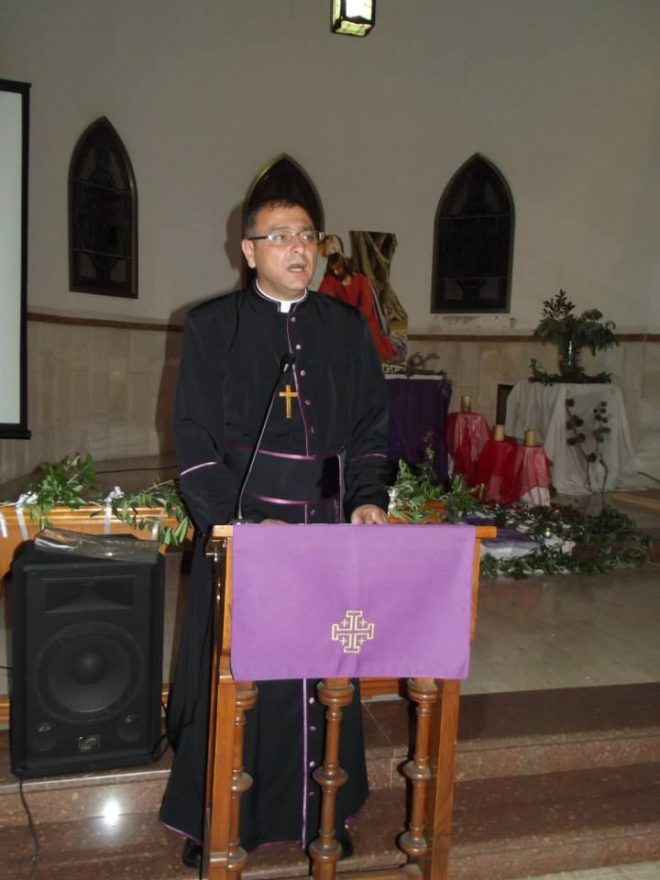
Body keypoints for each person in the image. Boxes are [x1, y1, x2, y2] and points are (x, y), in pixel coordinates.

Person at [159, 197, 390, 871]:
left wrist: (367, 499)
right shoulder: (213, 326)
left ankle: (325, 812)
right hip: (245, 525)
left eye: (308, 235)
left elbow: (370, 426)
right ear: (249, 250)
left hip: (326, 527)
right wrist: (236, 522)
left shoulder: (345, 328)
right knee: (240, 681)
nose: (300, 248)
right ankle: (220, 817)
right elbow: (194, 439)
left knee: (324, 676)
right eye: (281, 236)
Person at [319, 252, 396, 362]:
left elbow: (366, 306)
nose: (336, 272)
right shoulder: (331, 280)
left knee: (370, 338)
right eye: (333, 270)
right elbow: (325, 301)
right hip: (341, 319)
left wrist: (354, 319)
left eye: (338, 269)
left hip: (363, 319)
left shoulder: (361, 280)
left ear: (345, 266)